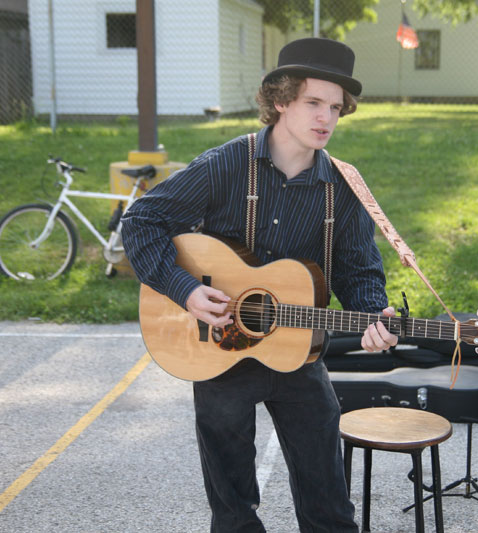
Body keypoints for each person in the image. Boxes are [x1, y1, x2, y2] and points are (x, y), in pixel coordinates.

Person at [121, 37, 398, 533]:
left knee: (330, 506)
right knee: (232, 512)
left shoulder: (344, 187)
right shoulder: (227, 165)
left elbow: (357, 269)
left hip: (297, 350)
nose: (326, 118)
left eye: (335, 107)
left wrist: (374, 313)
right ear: (280, 100)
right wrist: (184, 289)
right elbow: (141, 220)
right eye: (314, 102)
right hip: (219, 348)